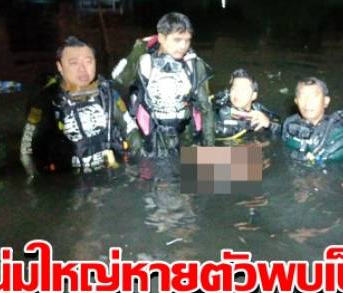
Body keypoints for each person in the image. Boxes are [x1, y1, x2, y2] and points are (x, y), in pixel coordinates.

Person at [20, 36, 142, 176]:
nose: (83, 69)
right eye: (74, 63)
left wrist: (138, 167)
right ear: (60, 66)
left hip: (111, 172)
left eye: (88, 61)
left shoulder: (107, 94)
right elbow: (27, 148)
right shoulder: (46, 100)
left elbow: (130, 130)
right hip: (68, 178)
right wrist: (36, 179)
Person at [111, 12, 214, 157]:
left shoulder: (194, 65)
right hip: (149, 140)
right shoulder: (143, 61)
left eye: (187, 40)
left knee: (240, 165)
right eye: (177, 40)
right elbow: (120, 79)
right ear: (161, 38)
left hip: (185, 139)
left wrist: (209, 148)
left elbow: (206, 108)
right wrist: (139, 49)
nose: (183, 46)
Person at [282, 77, 343, 165]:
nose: (307, 103)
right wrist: (270, 125)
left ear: (326, 101)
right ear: (296, 101)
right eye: (302, 97)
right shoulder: (290, 123)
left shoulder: (338, 135)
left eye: (314, 96)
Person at [213, 68, 281, 139]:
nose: (238, 93)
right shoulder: (219, 112)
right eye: (234, 88)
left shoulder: (258, 109)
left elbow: (282, 129)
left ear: (253, 95)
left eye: (243, 89)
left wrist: (269, 125)